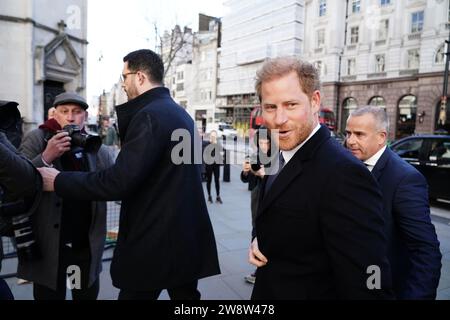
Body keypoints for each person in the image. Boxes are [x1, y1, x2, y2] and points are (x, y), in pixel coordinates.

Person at [38, 49, 220, 300]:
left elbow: (117, 181)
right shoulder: (182, 115)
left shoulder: (148, 115)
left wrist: (58, 180)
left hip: (153, 243)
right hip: (186, 238)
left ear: (141, 77)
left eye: (125, 76)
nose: (123, 84)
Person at [248, 57, 393, 299]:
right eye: (270, 107)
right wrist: (259, 238)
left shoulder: (344, 173)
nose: (279, 119)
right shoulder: (277, 152)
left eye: (291, 104)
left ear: (315, 101)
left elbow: (370, 276)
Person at [17, 92, 114, 300]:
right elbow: (18, 183)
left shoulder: (96, 147)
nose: (70, 118)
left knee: (83, 294)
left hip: (83, 247)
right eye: (64, 112)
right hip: (50, 247)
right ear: (55, 114)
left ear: (85, 117)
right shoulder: (37, 138)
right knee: (50, 297)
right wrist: (46, 156)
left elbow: (116, 184)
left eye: (77, 112)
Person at [345, 105, 442, 299]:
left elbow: (425, 251)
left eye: (359, 134)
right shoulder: (346, 164)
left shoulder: (405, 179)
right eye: (348, 133)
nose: (350, 141)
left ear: (381, 137)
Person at [241, 127, 271, 285]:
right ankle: (260, 269)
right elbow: (246, 179)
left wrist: (263, 174)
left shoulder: (277, 157)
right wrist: (246, 172)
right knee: (255, 229)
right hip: (256, 198)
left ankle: (260, 271)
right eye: (261, 141)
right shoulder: (255, 156)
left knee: (263, 232)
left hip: (269, 200)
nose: (264, 144)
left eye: (267, 141)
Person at [204, 130, 223, 204]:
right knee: (209, 181)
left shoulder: (218, 144)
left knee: (217, 181)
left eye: (214, 136)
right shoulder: (207, 144)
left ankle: (218, 196)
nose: (213, 137)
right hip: (209, 165)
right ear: (210, 137)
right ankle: (209, 196)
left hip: (216, 165)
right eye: (212, 136)